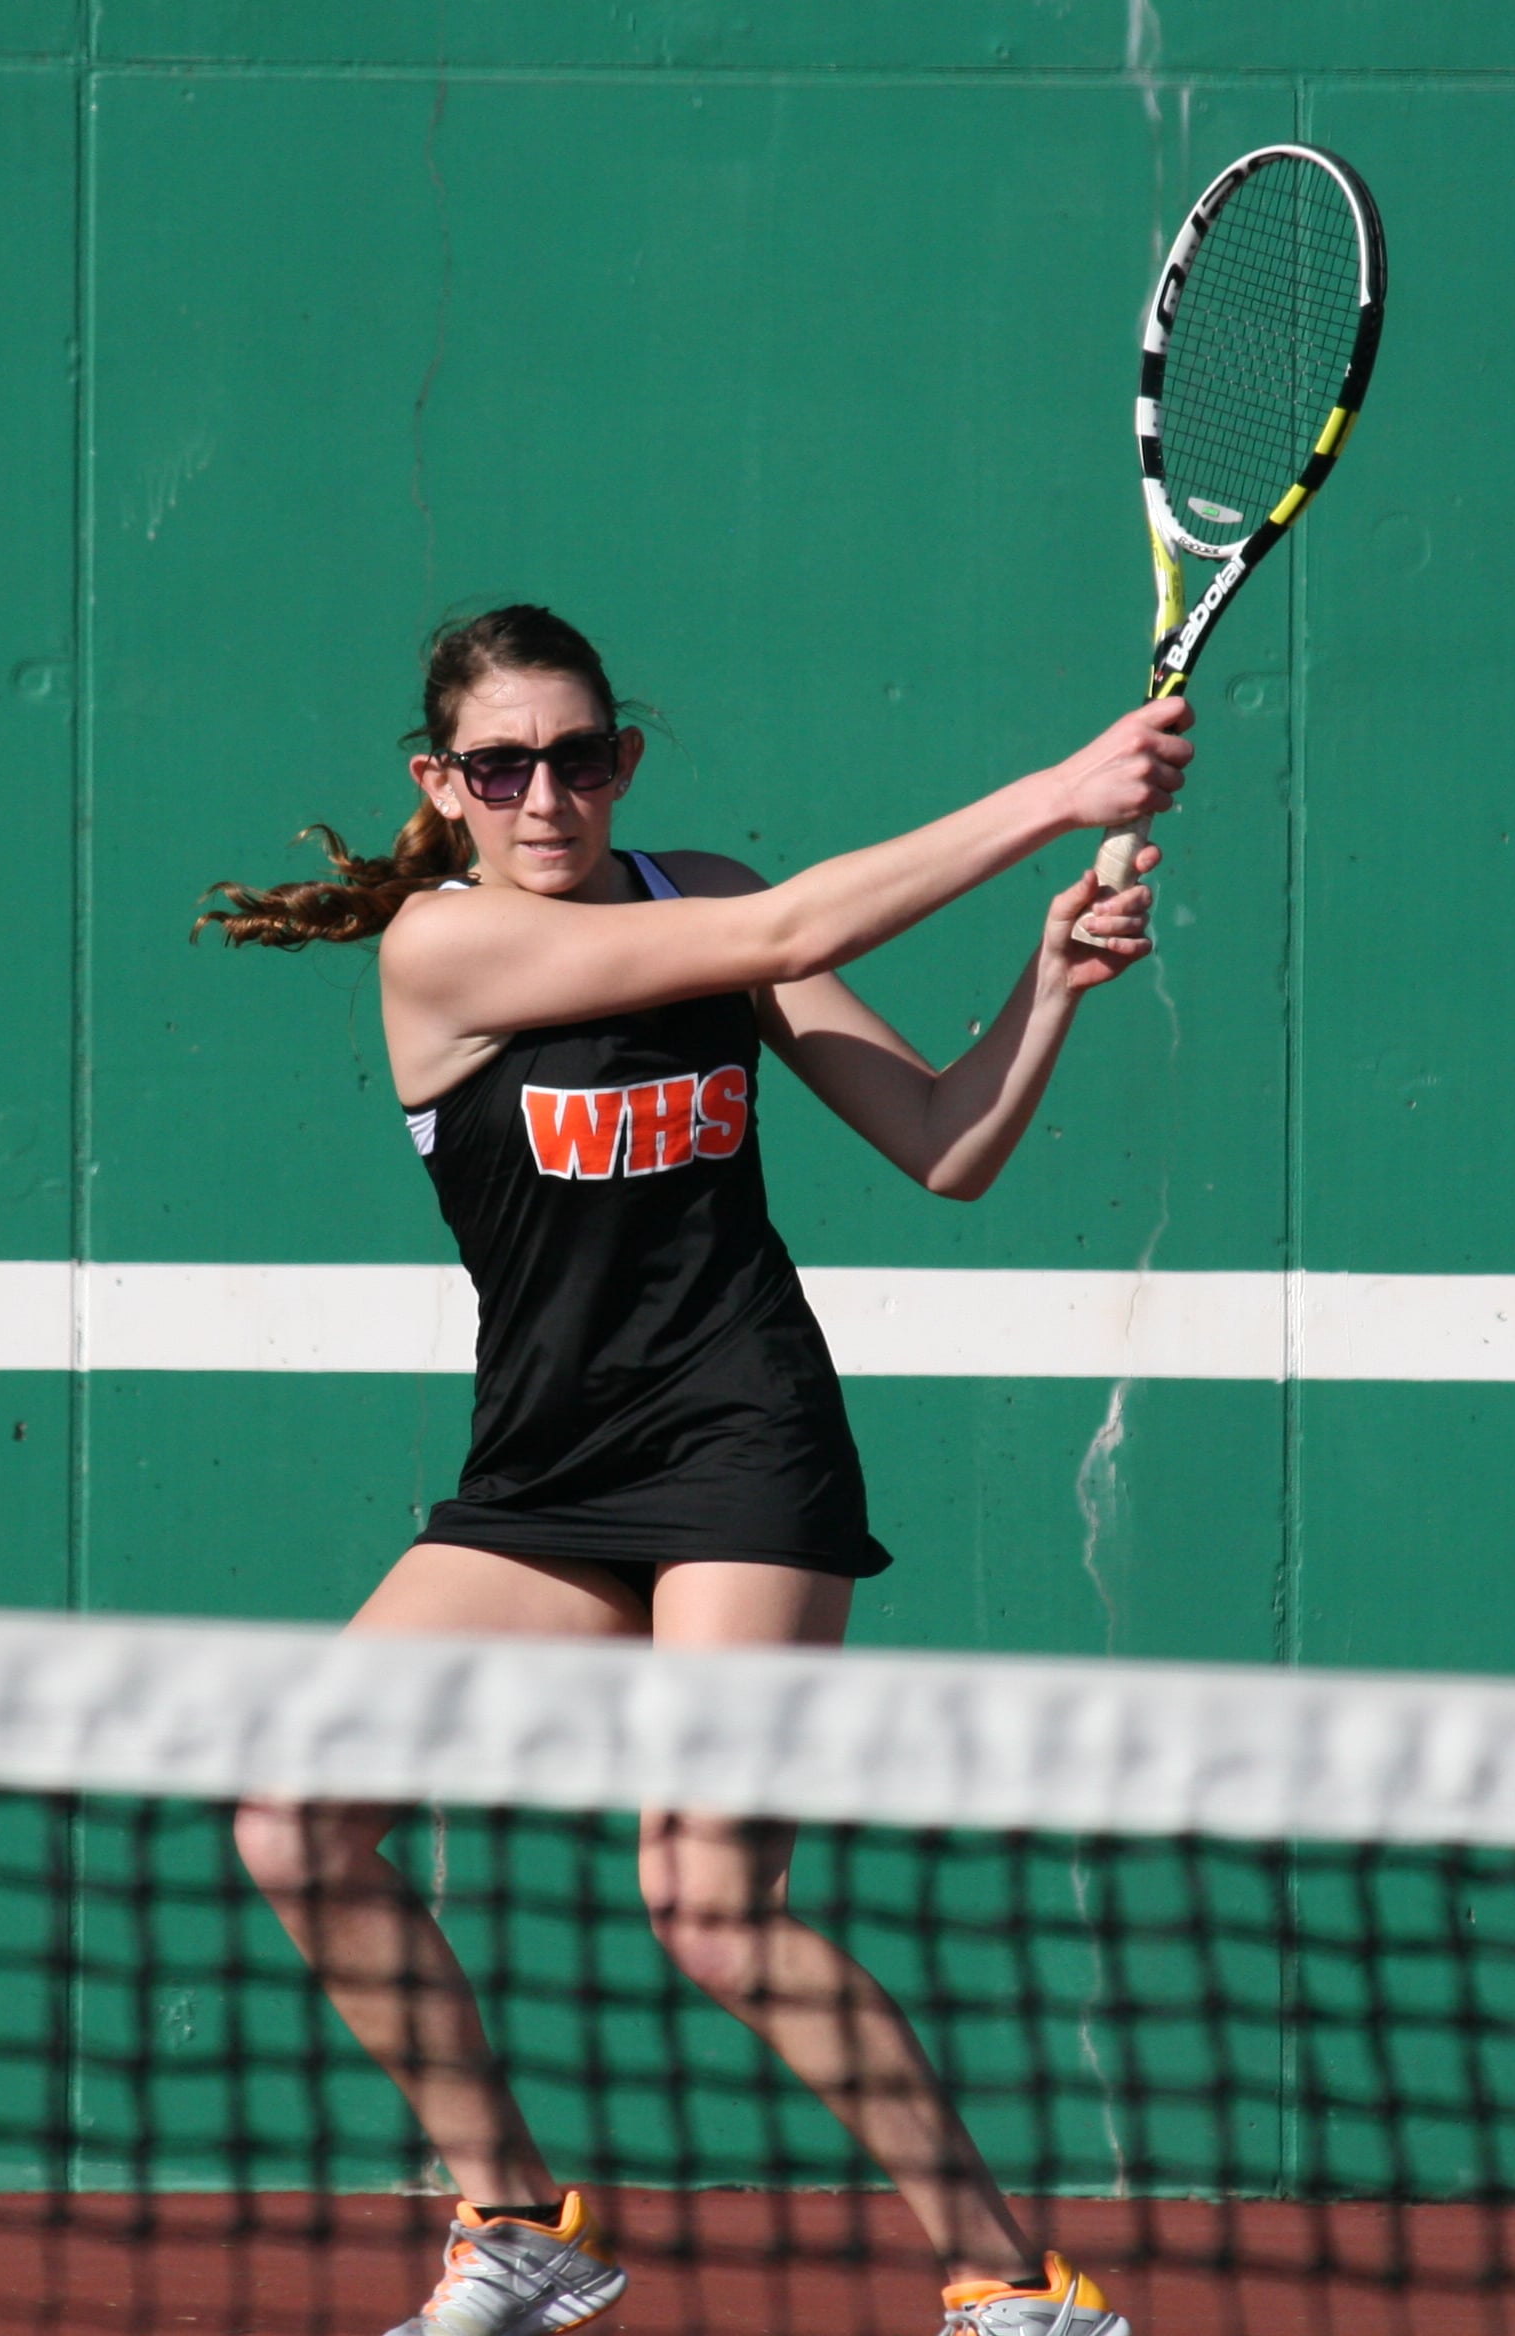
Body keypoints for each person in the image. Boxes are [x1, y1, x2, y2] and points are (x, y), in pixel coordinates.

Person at [198, 605, 1187, 2336]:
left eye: (580, 756)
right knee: (291, 1817)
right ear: (442, 784)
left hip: (746, 1446)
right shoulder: (438, 948)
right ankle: (517, 2224)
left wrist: (1046, 986)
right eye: (501, 766)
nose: (546, 796)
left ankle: (1011, 2286)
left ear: (622, 761)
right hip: (548, 1475)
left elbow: (942, 1147)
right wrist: (1056, 791)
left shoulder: (697, 891)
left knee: (712, 1910)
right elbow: (798, 917)